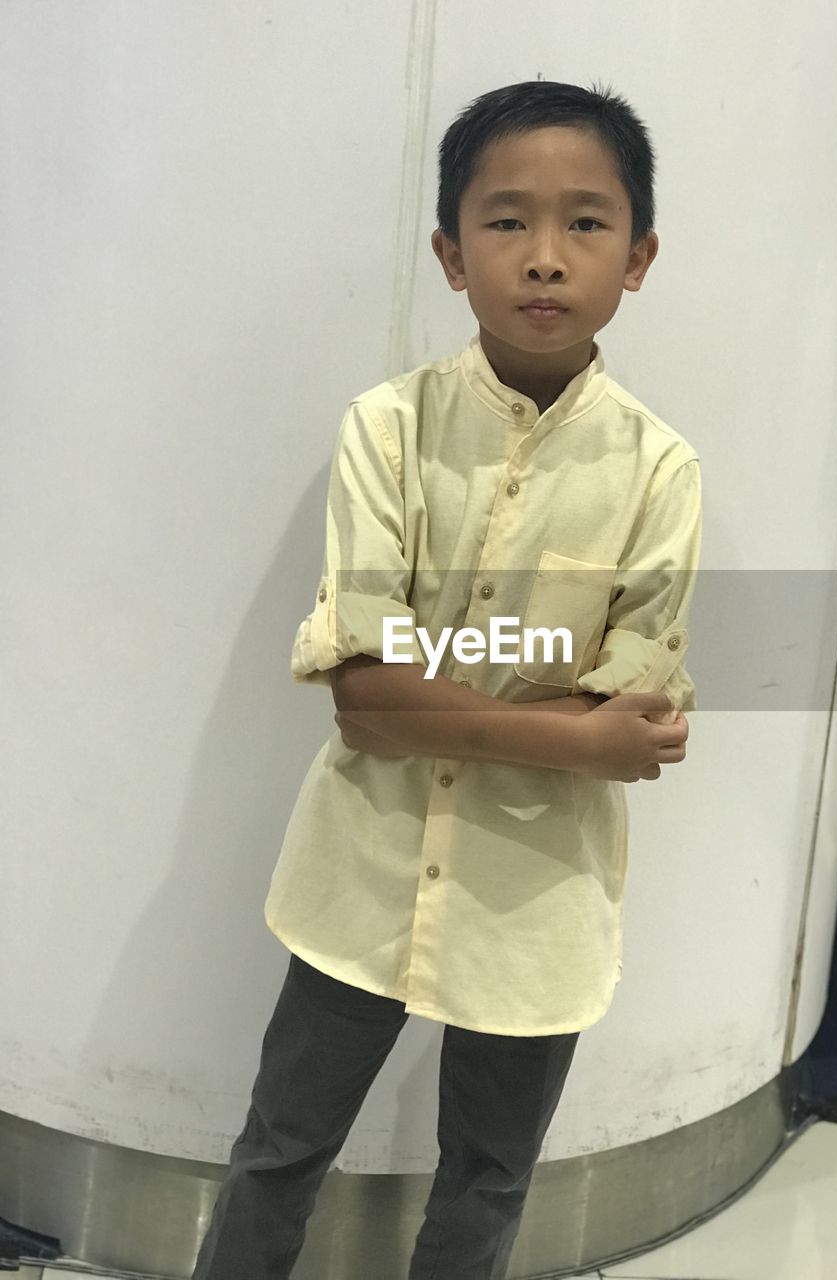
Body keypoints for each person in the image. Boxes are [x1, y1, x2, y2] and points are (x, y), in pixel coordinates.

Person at [191, 78, 701, 1280]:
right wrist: (574, 729)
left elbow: (629, 700)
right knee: (278, 1147)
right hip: (358, 875)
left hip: (538, 899)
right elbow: (365, 700)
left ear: (639, 256)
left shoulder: (660, 469)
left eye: (585, 222)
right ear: (449, 251)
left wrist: (435, 674)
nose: (542, 257)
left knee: (487, 1179)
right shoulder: (388, 429)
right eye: (505, 219)